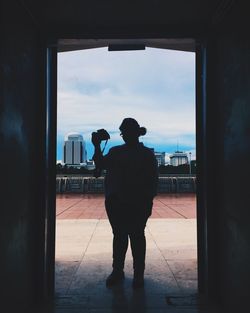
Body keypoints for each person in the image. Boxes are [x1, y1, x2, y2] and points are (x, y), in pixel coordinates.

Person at [92, 117, 158, 288]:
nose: (124, 136)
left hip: (124, 202)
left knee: (124, 236)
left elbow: (99, 163)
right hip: (129, 203)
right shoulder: (145, 154)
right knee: (133, 236)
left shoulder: (117, 152)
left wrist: (97, 145)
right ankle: (135, 273)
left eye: (125, 132)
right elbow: (153, 182)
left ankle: (120, 271)